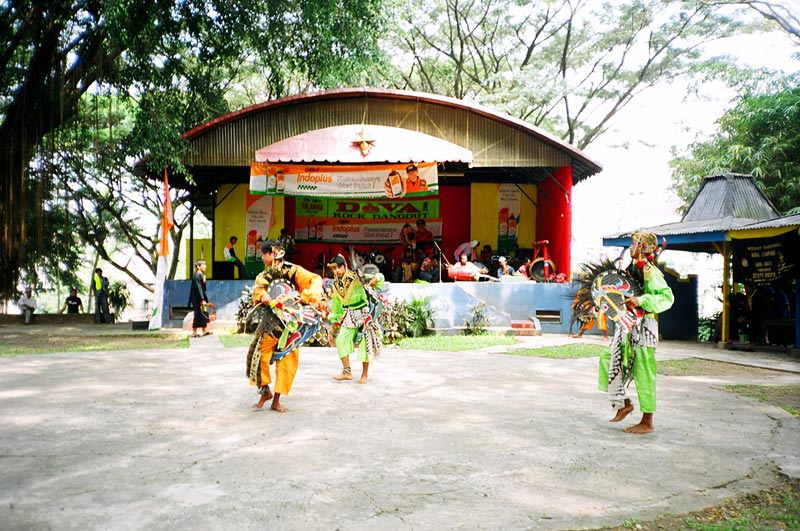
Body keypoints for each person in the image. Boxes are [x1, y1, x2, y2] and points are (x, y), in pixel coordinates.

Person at [598, 231, 674, 434]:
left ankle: (647, 422)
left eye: (633, 243)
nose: (630, 247)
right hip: (628, 326)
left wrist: (641, 301)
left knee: (644, 372)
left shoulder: (651, 272)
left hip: (645, 328)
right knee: (608, 357)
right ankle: (623, 403)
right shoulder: (632, 269)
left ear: (642, 247)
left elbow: (667, 298)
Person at [249, 239, 323, 412]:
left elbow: (315, 279)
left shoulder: (293, 270)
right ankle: (265, 391)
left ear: (273, 253)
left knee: (287, 361)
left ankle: (276, 400)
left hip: (291, 324)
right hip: (270, 323)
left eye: (263, 253)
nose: (261, 257)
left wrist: (306, 296)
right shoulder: (264, 275)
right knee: (259, 356)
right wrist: (262, 296)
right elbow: (259, 289)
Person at [327, 255, 383, 384]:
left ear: (344, 266)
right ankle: (347, 372)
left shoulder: (356, 276)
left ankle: (364, 375)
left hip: (364, 313)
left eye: (337, 268)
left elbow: (379, 276)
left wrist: (375, 279)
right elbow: (336, 303)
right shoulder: (336, 283)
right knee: (341, 340)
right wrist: (335, 318)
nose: (335, 272)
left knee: (365, 344)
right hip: (350, 314)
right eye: (333, 269)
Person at [189, 260, 212, 337]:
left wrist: (204, 281)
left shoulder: (202, 275)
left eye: (205, 264)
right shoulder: (196, 275)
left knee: (203, 313)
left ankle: (204, 330)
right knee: (198, 314)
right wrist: (202, 300)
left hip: (201, 297)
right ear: (198, 266)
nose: (205, 266)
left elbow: (203, 289)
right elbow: (198, 288)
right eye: (203, 264)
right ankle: (194, 332)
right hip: (196, 298)